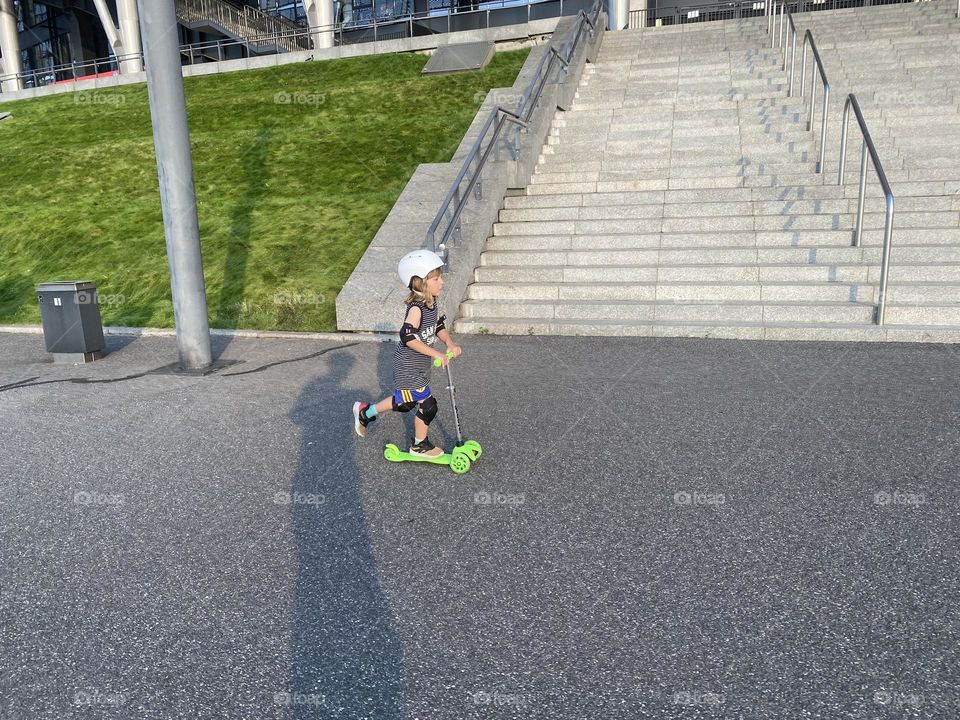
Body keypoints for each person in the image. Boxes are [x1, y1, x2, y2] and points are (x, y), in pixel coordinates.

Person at [353, 249, 462, 458]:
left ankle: (365, 412)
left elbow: (438, 325)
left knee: (405, 404)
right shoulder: (416, 309)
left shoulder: (431, 303)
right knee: (428, 405)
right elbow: (407, 336)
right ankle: (419, 446)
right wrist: (437, 354)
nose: (442, 282)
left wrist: (449, 343)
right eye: (436, 278)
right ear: (420, 282)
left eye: (441, 277)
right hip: (408, 366)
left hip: (420, 365)